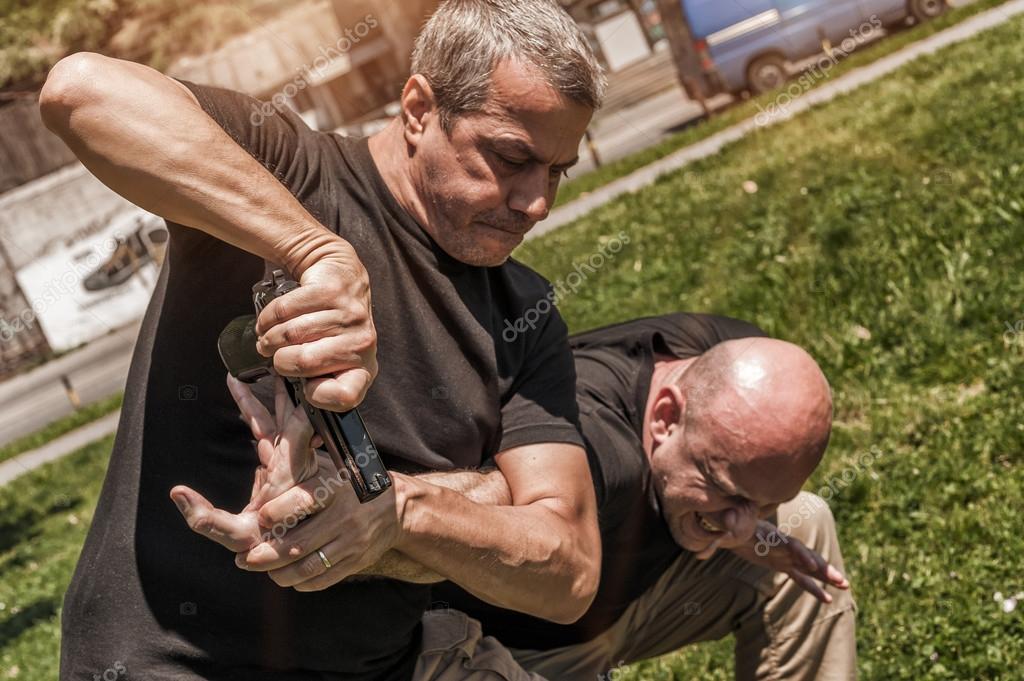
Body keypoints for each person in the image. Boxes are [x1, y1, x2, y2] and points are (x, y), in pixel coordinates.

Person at [40, 1, 607, 678]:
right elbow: (80, 91)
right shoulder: (295, 171)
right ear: (420, 108)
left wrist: (396, 512)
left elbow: (568, 569)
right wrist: (313, 250)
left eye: (557, 170)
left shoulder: (525, 313)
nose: (537, 201)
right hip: (171, 658)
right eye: (512, 158)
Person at [434, 313, 858, 680]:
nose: (745, 525)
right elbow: (434, 511)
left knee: (806, 525)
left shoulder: (721, 350)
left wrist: (735, 518)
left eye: (761, 502)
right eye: (727, 491)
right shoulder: (592, 455)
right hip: (515, 648)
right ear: (666, 417)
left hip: (624, 608)